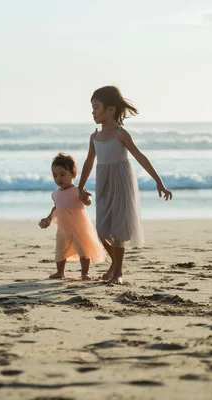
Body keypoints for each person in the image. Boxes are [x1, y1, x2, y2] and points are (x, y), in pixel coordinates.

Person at [77, 86, 173, 284]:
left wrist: (158, 180)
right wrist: (80, 186)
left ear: (111, 109)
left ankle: (118, 272)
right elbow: (88, 162)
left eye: (96, 107)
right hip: (103, 183)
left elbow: (139, 156)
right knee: (101, 231)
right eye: (92, 108)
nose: (93, 112)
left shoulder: (121, 134)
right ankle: (114, 263)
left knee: (119, 229)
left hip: (121, 183)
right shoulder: (94, 137)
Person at [39, 153, 106, 280]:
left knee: (83, 248)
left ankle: (84, 272)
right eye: (55, 175)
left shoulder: (77, 190)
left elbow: (88, 200)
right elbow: (56, 208)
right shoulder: (55, 194)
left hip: (79, 226)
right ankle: (60, 271)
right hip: (63, 227)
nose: (59, 178)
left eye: (63, 174)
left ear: (73, 174)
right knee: (60, 249)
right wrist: (48, 219)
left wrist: (86, 199)